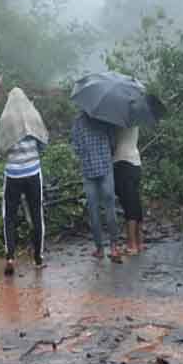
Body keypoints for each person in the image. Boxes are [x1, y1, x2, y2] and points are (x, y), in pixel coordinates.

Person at [0, 88, 49, 275]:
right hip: (33, 172)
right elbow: (43, 142)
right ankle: (38, 258)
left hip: (13, 174)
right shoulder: (33, 115)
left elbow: (2, 148)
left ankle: (10, 256)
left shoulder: (6, 119)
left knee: (9, 217)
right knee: (37, 215)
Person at [71, 111, 118, 260]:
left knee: (94, 211)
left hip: (88, 170)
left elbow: (76, 146)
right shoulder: (105, 118)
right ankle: (114, 247)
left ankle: (99, 249)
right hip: (105, 168)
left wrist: (85, 154)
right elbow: (113, 142)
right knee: (110, 208)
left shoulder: (78, 121)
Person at [113, 125, 144, 255]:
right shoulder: (134, 118)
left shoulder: (116, 121)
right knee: (135, 202)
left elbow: (113, 143)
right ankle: (139, 242)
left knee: (128, 205)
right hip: (136, 163)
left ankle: (131, 244)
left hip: (122, 163)